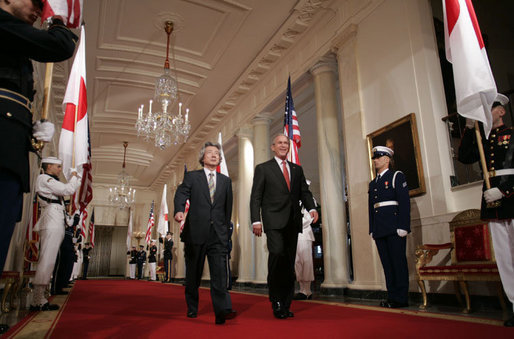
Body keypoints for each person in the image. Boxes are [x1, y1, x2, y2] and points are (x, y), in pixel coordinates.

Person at [0, 0, 77, 330]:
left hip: (10, 146)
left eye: (44, 4)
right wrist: (57, 19)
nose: (37, 7)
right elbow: (59, 46)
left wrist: (30, 129)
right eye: (32, 1)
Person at [457, 93, 514, 327]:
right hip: (492, 200)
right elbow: (464, 157)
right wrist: (470, 128)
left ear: (501, 111)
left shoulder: (512, 134)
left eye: (490, 108)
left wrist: (505, 191)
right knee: (504, 258)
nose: (486, 113)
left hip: (509, 196)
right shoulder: (483, 138)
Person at [250, 134, 318, 319]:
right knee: (277, 255)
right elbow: (256, 196)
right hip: (273, 221)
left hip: (293, 221)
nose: (283, 145)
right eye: (279, 143)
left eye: (286, 143)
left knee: (288, 263)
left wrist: (312, 207)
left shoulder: (297, 169)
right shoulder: (263, 169)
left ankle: (286, 302)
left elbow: (304, 191)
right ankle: (276, 300)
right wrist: (256, 220)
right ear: (273, 147)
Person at [174, 141, 236, 325]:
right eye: (210, 152)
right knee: (193, 274)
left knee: (219, 273)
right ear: (203, 157)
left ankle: (222, 311)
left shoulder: (226, 181)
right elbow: (181, 194)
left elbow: (227, 208)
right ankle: (192, 307)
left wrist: (225, 232)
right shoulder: (192, 177)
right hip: (196, 232)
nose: (214, 155)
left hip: (218, 234)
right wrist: (179, 210)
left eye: (217, 153)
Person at [31, 157, 80, 311]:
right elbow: (67, 190)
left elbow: (68, 218)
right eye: (58, 166)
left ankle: (41, 297)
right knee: (47, 259)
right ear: (49, 166)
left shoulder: (50, 181)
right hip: (51, 219)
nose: (60, 169)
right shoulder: (44, 178)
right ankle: (38, 299)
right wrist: (74, 177)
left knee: (51, 260)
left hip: (56, 219)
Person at [368, 146, 410, 308]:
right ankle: (392, 296)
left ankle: (401, 298)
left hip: (394, 226)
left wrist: (403, 225)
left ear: (387, 159)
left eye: (379, 157)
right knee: (387, 264)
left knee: (397, 263)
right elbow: (371, 207)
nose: (376, 160)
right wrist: (372, 228)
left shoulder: (396, 176)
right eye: (375, 158)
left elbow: (404, 203)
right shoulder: (374, 183)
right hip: (380, 227)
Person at [51, 211, 80, 294]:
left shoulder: (69, 221)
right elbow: (70, 223)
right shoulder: (64, 216)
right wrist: (76, 217)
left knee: (64, 269)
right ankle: (55, 288)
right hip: (62, 245)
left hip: (68, 247)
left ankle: (60, 287)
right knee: (59, 268)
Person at [293, 205, 315, 300]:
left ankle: (307, 290)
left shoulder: (308, 200)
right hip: (294, 234)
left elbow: (309, 217)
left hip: (304, 234)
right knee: (297, 262)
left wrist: (293, 224)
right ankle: (302, 289)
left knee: (306, 262)